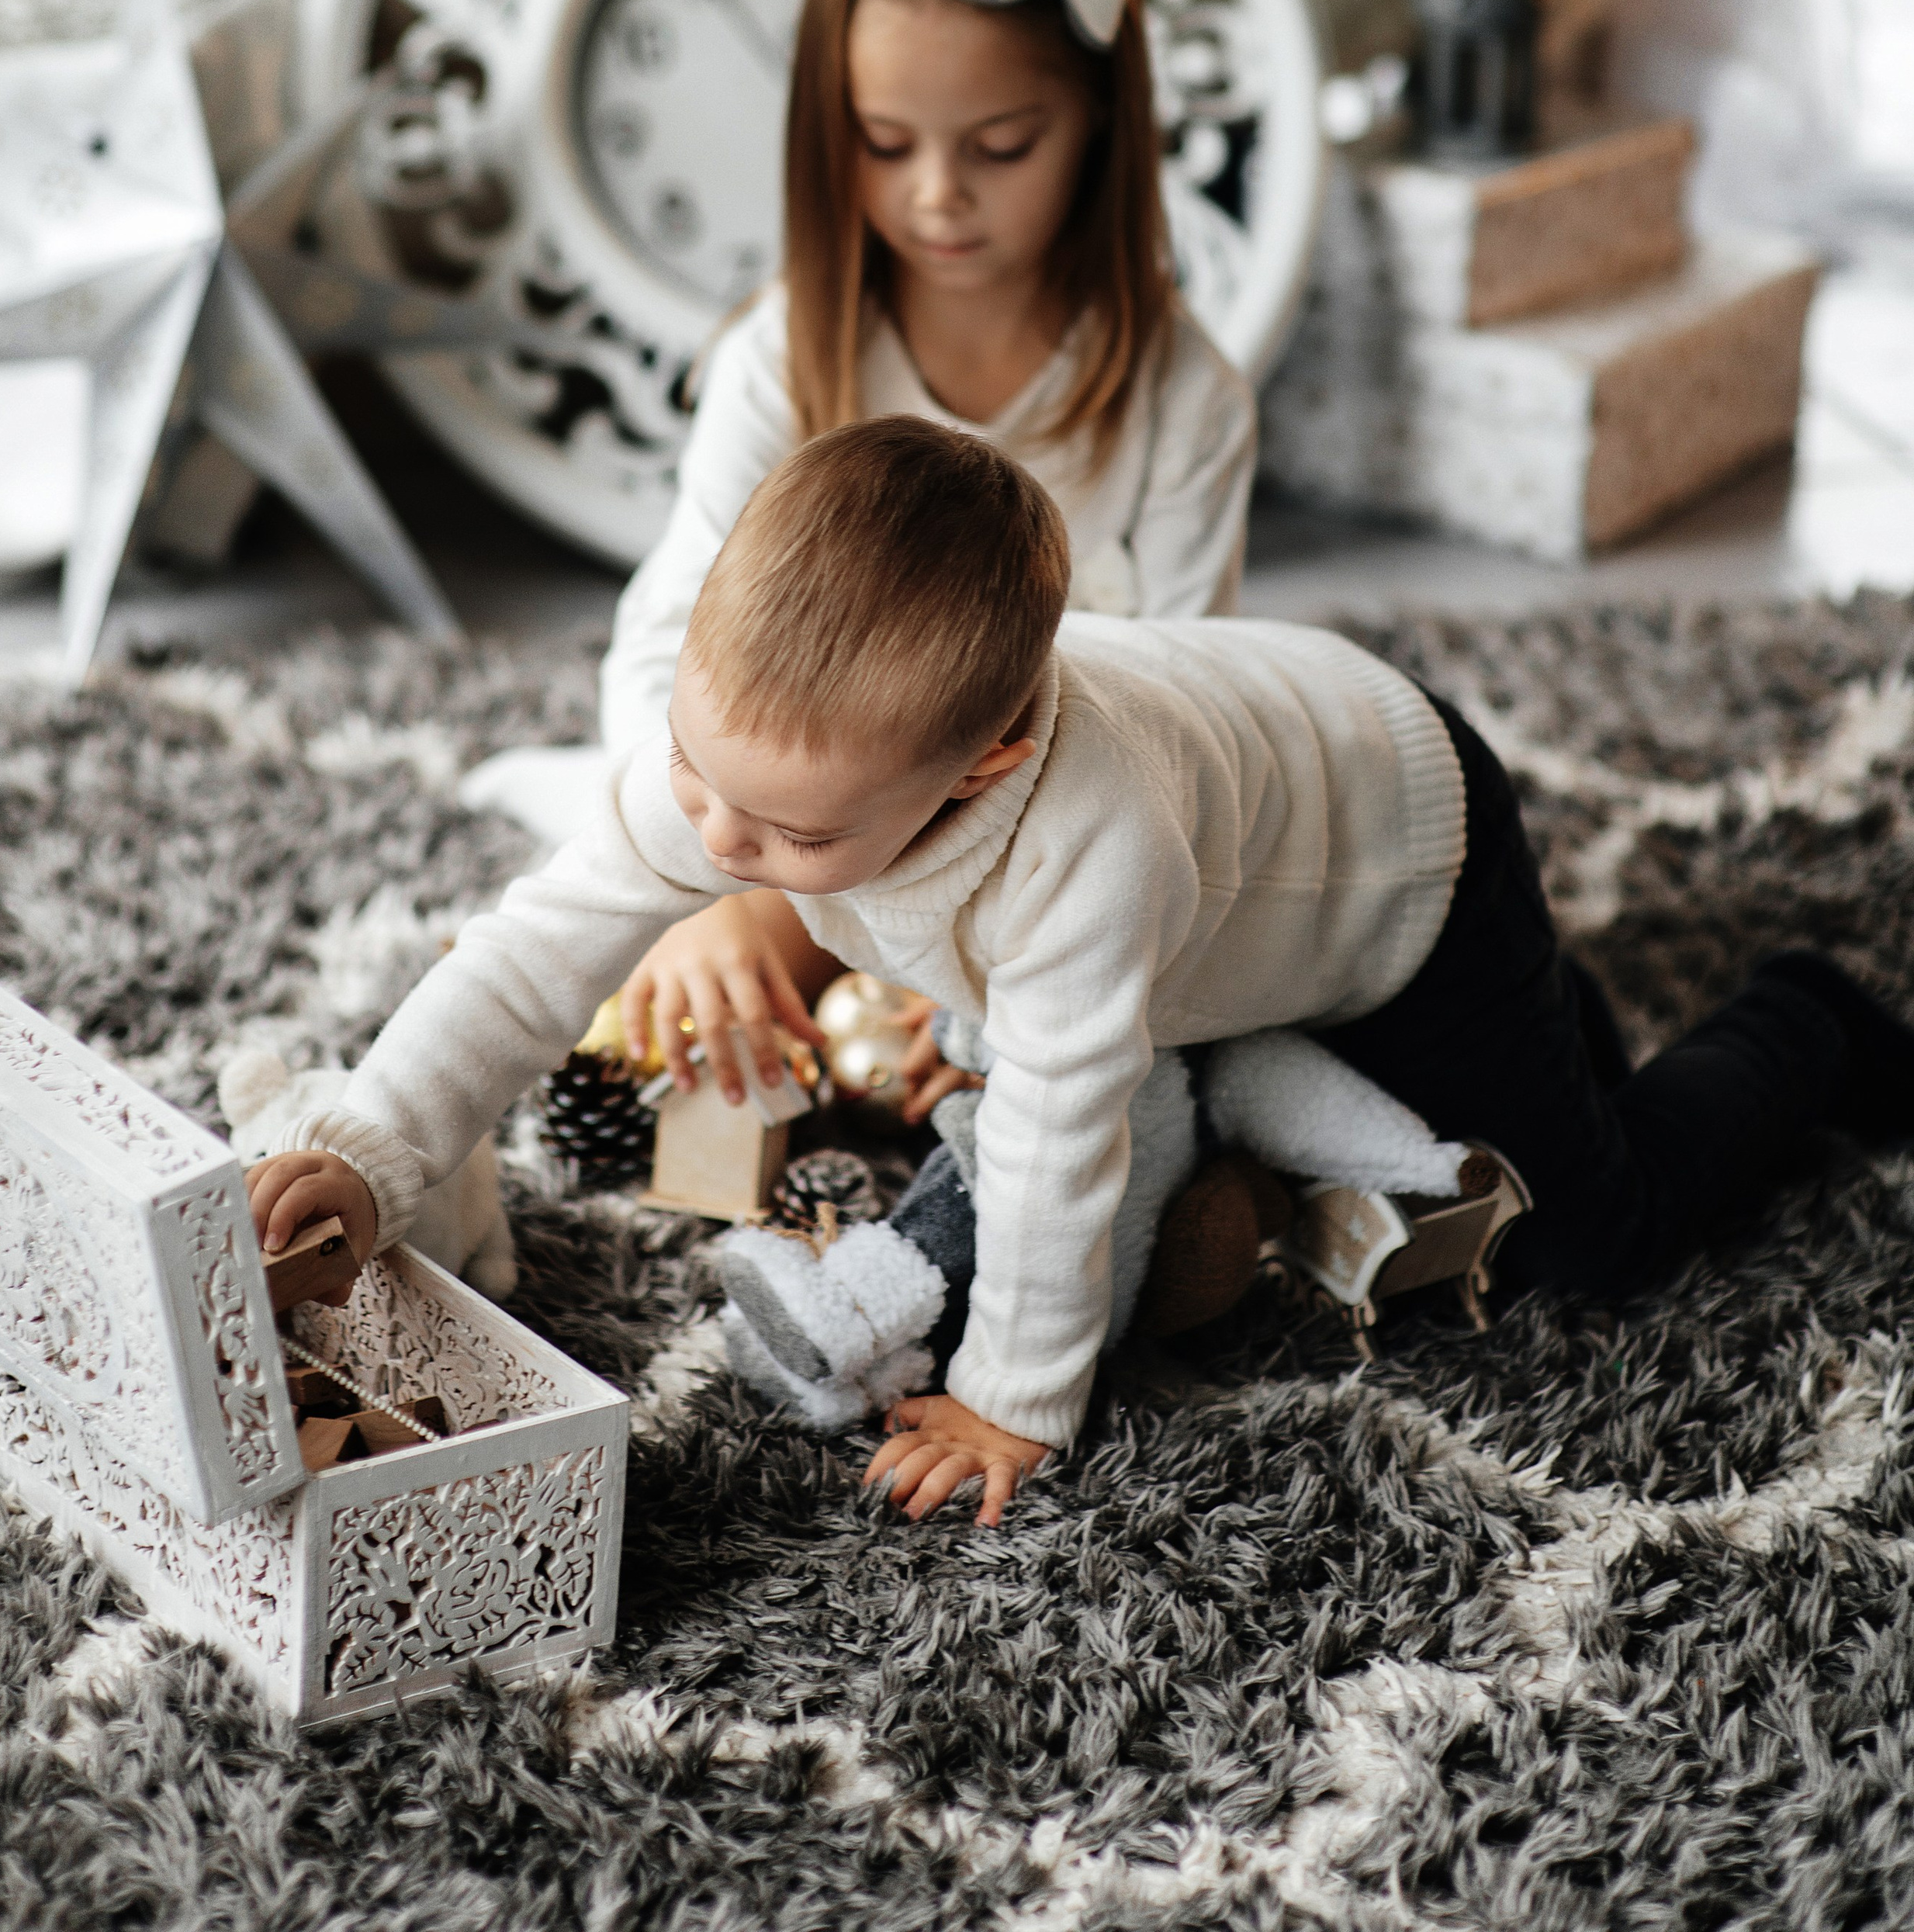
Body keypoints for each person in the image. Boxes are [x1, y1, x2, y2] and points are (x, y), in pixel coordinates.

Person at [246, 421, 1914, 1527]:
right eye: (697, 774)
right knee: (1472, 1071)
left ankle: (1809, 1020)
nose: (718, 838)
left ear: (978, 768)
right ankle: (1556, 1041)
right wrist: (371, 1151)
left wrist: (1009, 1400)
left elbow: (1059, 1120)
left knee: (1586, 1227)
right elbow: (533, 953)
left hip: (1395, 855)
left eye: (791, 833)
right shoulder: (744, 766)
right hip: (1248, 830)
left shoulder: (1082, 838)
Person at [462, 0, 1255, 840]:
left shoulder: (1185, 401)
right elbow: (670, 647)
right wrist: (723, 885)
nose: (938, 196)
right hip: (784, 829)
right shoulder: (785, 357)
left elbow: (1187, 721)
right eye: (885, 144)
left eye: (1002, 146)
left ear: (1101, 114)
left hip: (1047, 841)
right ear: (833, 131)